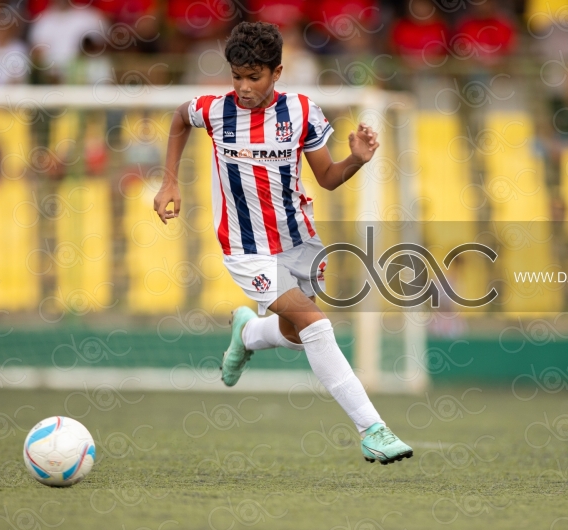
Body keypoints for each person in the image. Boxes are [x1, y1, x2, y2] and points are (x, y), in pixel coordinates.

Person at [153, 21, 413, 465]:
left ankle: (249, 333)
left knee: (295, 336)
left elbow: (328, 179)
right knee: (316, 325)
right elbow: (180, 117)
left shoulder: (303, 112)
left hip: (298, 241)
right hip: (245, 247)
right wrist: (170, 180)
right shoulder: (216, 110)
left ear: (276, 72)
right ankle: (373, 429)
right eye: (236, 76)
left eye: (253, 77)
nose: (243, 86)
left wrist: (356, 158)